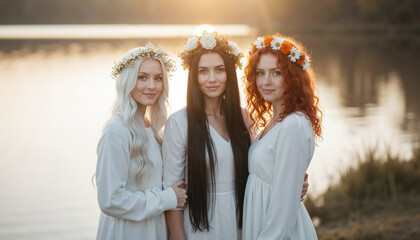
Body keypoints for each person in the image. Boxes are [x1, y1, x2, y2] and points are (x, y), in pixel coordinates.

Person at [162, 32, 309, 240]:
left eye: (219, 70)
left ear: (229, 73)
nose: (212, 79)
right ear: (194, 76)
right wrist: (178, 237)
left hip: (244, 221)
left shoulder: (243, 118)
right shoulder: (179, 123)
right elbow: (172, 191)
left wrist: (293, 184)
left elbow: (261, 164)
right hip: (199, 227)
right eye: (203, 71)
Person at [95, 43, 188, 240]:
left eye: (158, 78)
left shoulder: (152, 128)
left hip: (153, 228)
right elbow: (110, 200)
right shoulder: (116, 130)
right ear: (128, 80)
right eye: (142, 77)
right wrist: (166, 199)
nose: (151, 86)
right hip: (127, 231)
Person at [242, 35, 322, 240]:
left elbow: (283, 209)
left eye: (276, 73)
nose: (266, 82)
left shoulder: (293, 125)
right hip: (260, 221)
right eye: (260, 73)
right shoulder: (276, 120)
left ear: (292, 77)